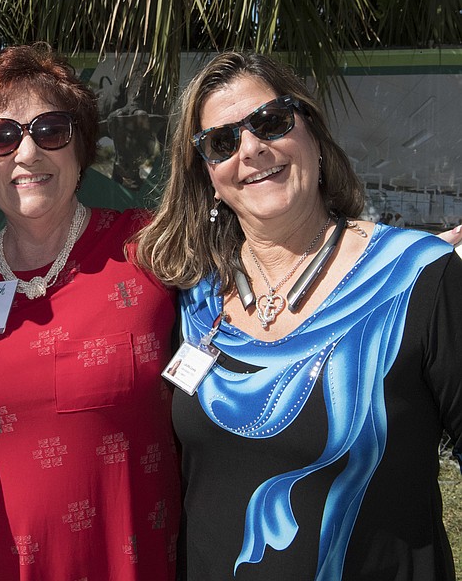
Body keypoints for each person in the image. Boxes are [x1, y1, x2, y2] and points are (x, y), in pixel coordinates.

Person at [135, 50, 462, 580]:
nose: (251, 149)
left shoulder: (416, 278)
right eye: (221, 142)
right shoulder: (189, 296)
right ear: (208, 176)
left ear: (313, 131)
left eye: (270, 122)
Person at [0, 43, 180, 580]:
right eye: (1, 136)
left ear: (81, 149)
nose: (27, 153)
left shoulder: (148, 249)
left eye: (50, 130)